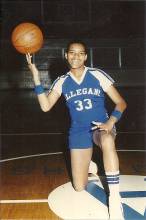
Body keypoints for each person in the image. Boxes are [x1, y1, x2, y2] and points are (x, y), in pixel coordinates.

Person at [26, 40, 127, 220]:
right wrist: (35, 77)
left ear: (86, 57)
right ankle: (90, 163)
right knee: (79, 186)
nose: (76, 56)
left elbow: (121, 102)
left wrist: (111, 122)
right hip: (78, 131)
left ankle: (115, 198)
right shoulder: (62, 81)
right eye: (72, 52)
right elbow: (45, 106)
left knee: (107, 140)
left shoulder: (97, 75)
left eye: (80, 53)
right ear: (66, 55)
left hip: (99, 125)